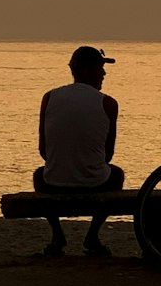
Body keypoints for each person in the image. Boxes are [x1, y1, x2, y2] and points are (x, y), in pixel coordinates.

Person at [33, 45, 124, 258]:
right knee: (117, 174)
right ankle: (92, 235)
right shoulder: (108, 104)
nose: (104, 73)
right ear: (85, 71)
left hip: (53, 184)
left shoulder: (49, 97)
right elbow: (108, 156)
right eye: (99, 68)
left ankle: (57, 235)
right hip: (95, 183)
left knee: (39, 175)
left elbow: (44, 151)